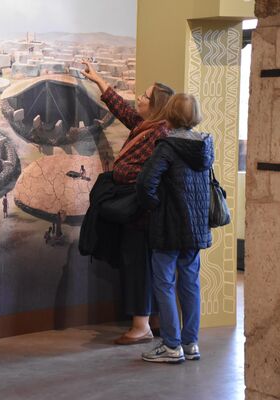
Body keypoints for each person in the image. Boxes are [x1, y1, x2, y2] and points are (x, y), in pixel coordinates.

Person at [81, 61, 175, 345]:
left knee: (138, 265)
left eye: (145, 97)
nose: (139, 99)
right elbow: (124, 111)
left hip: (140, 211)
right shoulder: (149, 126)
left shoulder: (160, 134)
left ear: (157, 106)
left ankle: (141, 325)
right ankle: (154, 321)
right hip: (140, 209)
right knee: (145, 264)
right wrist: (99, 81)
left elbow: (147, 174)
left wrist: (122, 176)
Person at [137, 94, 213, 363]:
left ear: (169, 114)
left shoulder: (166, 147)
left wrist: (154, 206)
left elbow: (145, 184)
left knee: (165, 283)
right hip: (195, 227)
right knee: (190, 283)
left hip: (168, 226)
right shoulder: (205, 145)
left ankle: (171, 346)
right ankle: (190, 343)